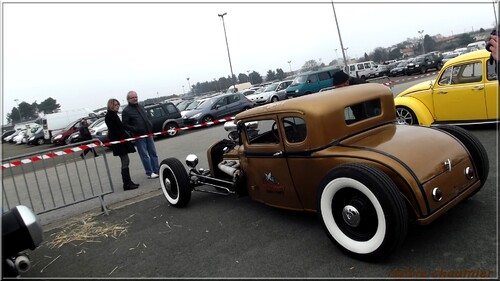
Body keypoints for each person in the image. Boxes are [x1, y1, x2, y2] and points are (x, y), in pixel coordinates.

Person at [121, 91, 159, 179]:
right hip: (139, 136)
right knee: (144, 155)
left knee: (153, 153)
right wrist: (135, 129)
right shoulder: (126, 111)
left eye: (136, 97)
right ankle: (149, 172)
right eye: (132, 97)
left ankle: (156, 170)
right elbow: (125, 125)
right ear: (128, 99)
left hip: (148, 133)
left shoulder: (141, 106)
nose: (135, 99)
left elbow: (147, 117)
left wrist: (150, 124)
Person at [105, 99, 139, 191]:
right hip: (119, 142)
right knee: (125, 161)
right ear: (111, 105)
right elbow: (116, 130)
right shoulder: (110, 116)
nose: (117, 106)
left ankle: (128, 182)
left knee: (125, 161)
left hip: (120, 141)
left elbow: (120, 127)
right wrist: (124, 138)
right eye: (115, 104)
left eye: (118, 104)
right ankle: (127, 184)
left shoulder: (113, 115)